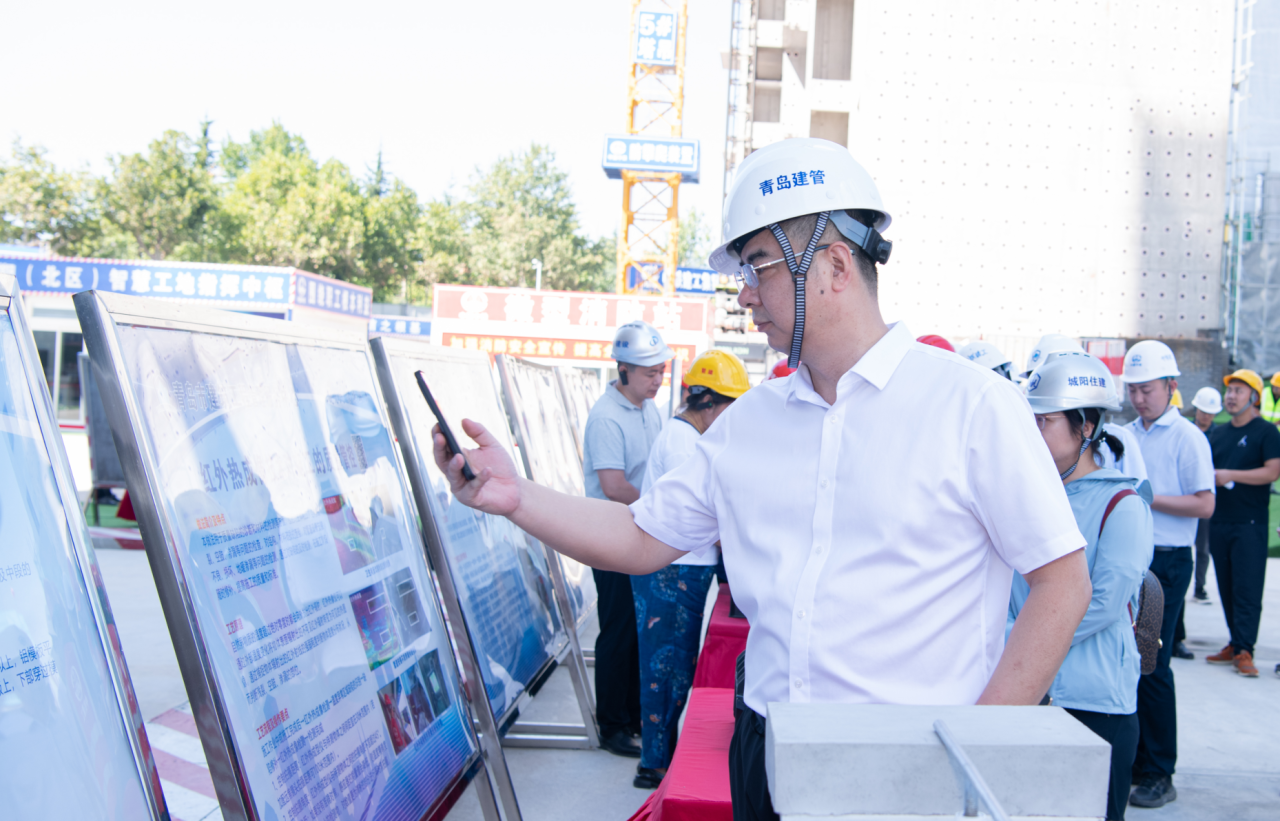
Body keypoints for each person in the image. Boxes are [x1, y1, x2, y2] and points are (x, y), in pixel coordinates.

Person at [429, 138, 1092, 821]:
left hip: (911, 768)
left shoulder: (973, 407)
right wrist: (516, 498)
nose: (744, 294)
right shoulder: (747, 424)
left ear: (835, 264)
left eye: (757, 267)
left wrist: (972, 751)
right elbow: (640, 534)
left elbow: (1062, 583)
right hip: (765, 748)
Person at [1013, 351, 1153, 821]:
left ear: (1087, 426)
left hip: (1092, 703)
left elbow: (1105, 603)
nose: (1033, 431)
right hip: (1026, 692)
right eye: (1029, 420)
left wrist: (1020, 643)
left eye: (1045, 421)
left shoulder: (1122, 504)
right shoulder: (1025, 496)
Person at [631, 348, 750, 789]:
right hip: (672, 571)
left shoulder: (690, 436)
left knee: (676, 667)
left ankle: (660, 755)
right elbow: (702, 517)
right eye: (731, 408)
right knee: (665, 669)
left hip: (683, 568)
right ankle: (653, 764)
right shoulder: (683, 443)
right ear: (710, 402)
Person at [1119, 340, 1215, 809]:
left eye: (1148, 389)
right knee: (1127, 661)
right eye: (1133, 390)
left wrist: (1148, 497)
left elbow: (1205, 503)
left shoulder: (1187, 437)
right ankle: (1137, 762)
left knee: (1151, 663)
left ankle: (1159, 771)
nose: (1139, 398)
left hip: (1168, 561)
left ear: (1171, 386)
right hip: (1129, 557)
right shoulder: (1124, 435)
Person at [582, 319, 673, 758]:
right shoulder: (606, 418)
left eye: (661, 371)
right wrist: (661, 510)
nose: (657, 380)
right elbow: (615, 485)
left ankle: (635, 716)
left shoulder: (648, 409)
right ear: (623, 370)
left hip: (638, 532)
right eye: (649, 373)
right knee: (618, 631)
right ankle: (613, 725)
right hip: (610, 536)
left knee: (639, 631)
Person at [1204, 370, 1280, 678]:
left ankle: (1245, 649)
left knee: (1247, 588)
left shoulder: (1266, 432)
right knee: (1225, 586)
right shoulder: (1219, 433)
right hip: (1220, 520)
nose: (1231, 396)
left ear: (1254, 397)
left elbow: (1272, 471)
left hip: (1250, 523)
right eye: (1230, 390)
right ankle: (1235, 643)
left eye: (1239, 391)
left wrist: (1231, 475)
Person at [1188, 387, 1222, 605]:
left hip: (1205, 496)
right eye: (1203, 411)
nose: (1206, 416)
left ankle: (1199, 587)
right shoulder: (1185, 431)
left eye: (1210, 413)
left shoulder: (1219, 435)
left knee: (1203, 547)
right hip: (1184, 494)